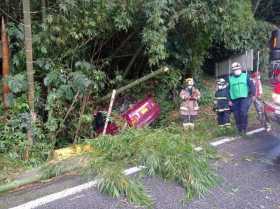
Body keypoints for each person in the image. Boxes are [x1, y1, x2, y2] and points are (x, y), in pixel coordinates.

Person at [228, 62, 256, 134]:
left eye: (238, 69)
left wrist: (253, 94)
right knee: (236, 114)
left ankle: (244, 128)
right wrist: (228, 100)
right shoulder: (230, 79)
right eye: (235, 69)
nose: (236, 70)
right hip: (234, 99)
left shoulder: (245, 76)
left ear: (240, 68)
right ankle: (239, 128)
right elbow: (227, 90)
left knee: (243, 112)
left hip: (244, 98)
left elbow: (251, 85)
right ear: (233, 71)